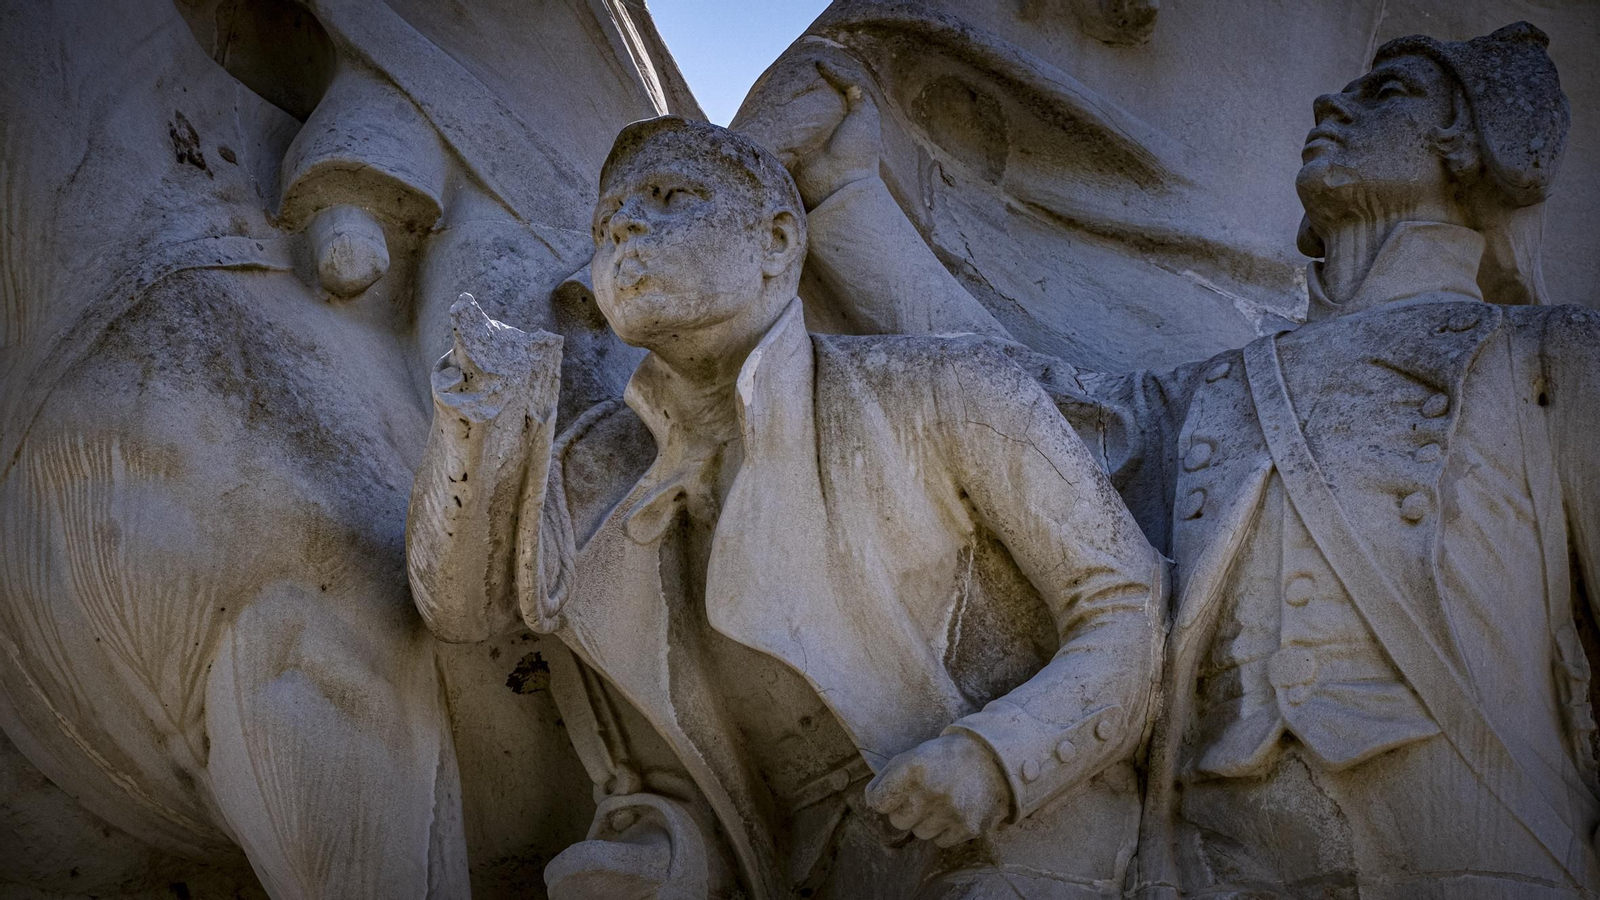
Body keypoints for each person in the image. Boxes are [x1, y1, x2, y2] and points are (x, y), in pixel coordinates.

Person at [772, 19, 1600, 899]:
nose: (1330, 103)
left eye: (1386, 92)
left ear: (1471, 148)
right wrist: (843, 196)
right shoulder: (1219, 390)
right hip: (1211, 853)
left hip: (1477, 849)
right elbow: (1012, 404)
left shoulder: (1546, 354)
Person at [406, 117, 1166, 899]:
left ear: (775, 241)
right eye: (606, 225)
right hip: (795, 870)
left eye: (669, 198)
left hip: (1019, 850)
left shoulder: (951, 389)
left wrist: (998, 758)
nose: (625, 227)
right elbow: (464, 612)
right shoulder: (597, 466)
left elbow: (1127, 605)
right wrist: (473, 427)